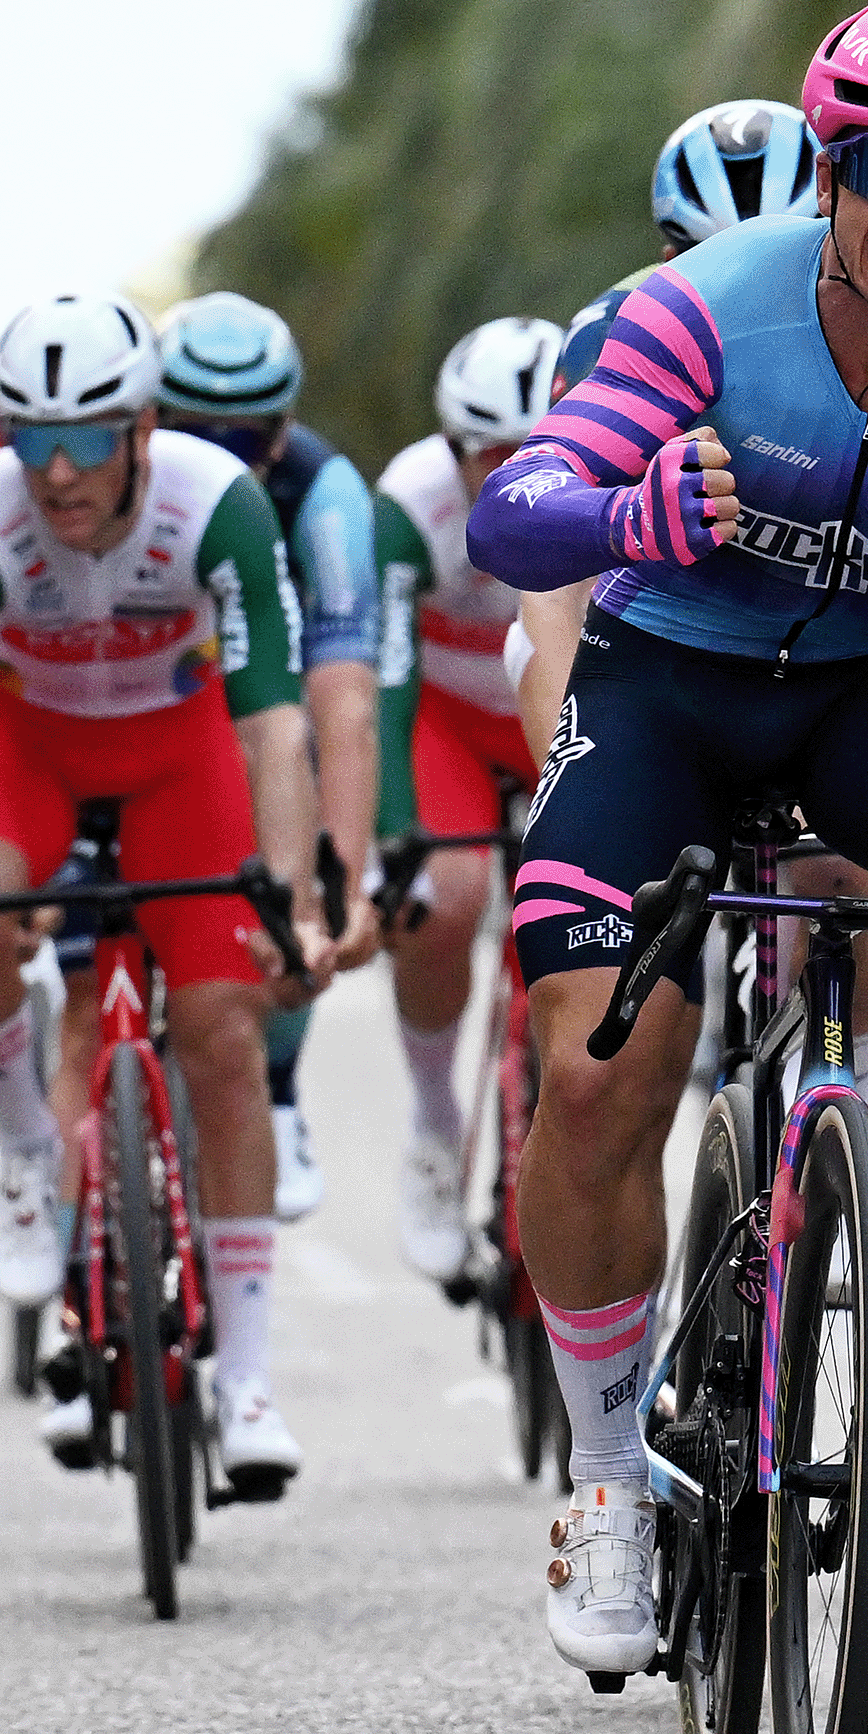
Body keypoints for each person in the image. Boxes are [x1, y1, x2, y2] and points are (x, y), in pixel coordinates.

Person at [465, 0, 868, 1678]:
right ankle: (608, 1474)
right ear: (826, 173)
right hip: (665, 680)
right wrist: (629, 510)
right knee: (603, 1064)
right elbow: (509, 513)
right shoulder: (698, 307)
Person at [0, 295, 353, 1495]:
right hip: (34, 759)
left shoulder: (219, 504)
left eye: (86, 439)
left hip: (180, 756)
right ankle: (19, 1152)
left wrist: (292, 906)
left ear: (142, 427)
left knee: (219, 1029)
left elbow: (271, 724)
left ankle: (246, 1377)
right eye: (29, 436)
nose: (55, 471)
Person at [152, 293, 389, 1224]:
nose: (218, 459)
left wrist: (348, 872)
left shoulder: (323, 495)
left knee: (300, 895)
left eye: (244, 436)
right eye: (187, 431)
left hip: (263, 697)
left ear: (285, 429)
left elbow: (345, 703)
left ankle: (279, 1082)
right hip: (154, 697)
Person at [514, 98, 824, 767]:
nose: (748, 294)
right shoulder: (607, 330)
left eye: (780, 259)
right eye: (717, 264)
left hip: (823, 626)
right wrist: (574, 771)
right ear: (665, 262)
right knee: (538, 610)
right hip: (666, 621)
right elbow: (555, 573)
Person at [368, 314, 564, 1281]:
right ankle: (437, 1121)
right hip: (444, 713)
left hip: (554, 691)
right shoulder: (409, 504)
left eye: (542, 447)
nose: (519, 470)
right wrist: (396, 827)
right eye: (494, 454)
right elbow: (389, 673)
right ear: (454, 451)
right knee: (441, 898)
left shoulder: (618, 470)